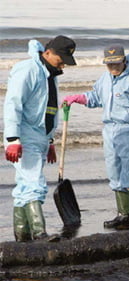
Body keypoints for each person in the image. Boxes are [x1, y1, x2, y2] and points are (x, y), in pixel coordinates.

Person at [63, 44, 129, 232]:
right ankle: (124, 214)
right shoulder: (104, 79)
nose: (113, 67)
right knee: (114, 172)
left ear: (124, 61)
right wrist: (77, 98)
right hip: (109, 131)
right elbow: (96, 98)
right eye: (109, 64)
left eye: (117, 63)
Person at [3, 35, 77, 241]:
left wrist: (49, 140)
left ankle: (22, 235)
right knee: (35, 182)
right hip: (24, 135)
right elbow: (13, 103)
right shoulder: (28, 70)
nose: (63, 63)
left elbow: (49, 109)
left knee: (25, 185)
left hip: (39, 137)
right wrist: (12, 139)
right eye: (60, 58)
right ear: (48, 52)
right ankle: (39, 233)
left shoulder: (50, 74)